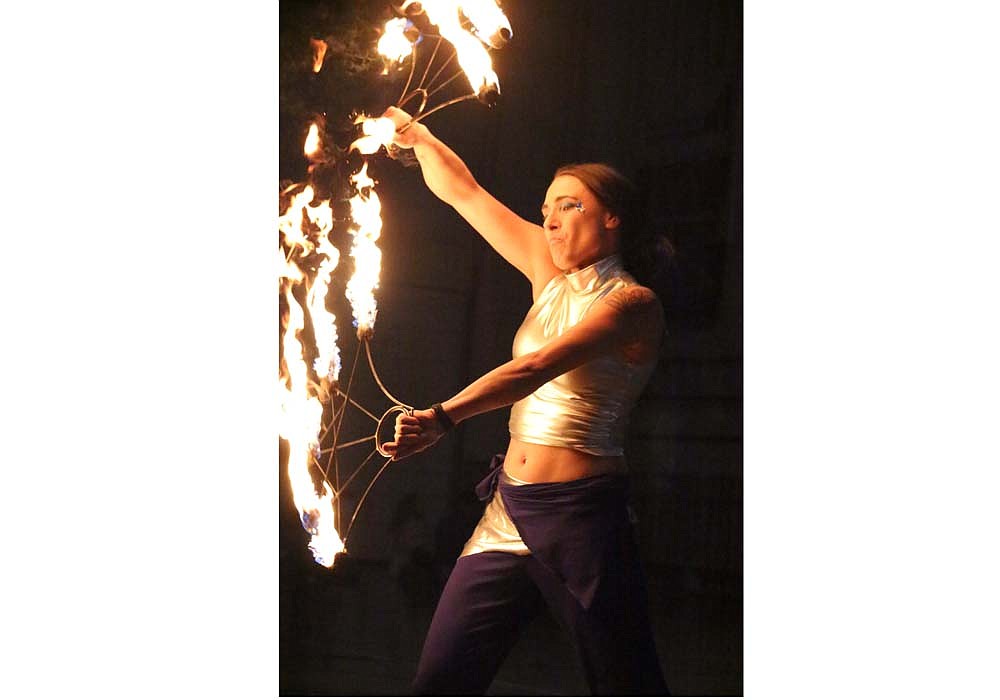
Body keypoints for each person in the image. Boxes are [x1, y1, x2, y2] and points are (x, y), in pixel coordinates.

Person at [380, 105, 669, 696]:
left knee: (626, 682)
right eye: (546, 211)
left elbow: (536, 366)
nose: (552, 221)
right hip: (507, 512)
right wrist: (418, 137)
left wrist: (442, 417)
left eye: (569, 205)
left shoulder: (634, 304)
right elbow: (465, 194)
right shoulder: (548, 273)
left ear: (612, 217)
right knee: (440, 680)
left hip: (582, 520)